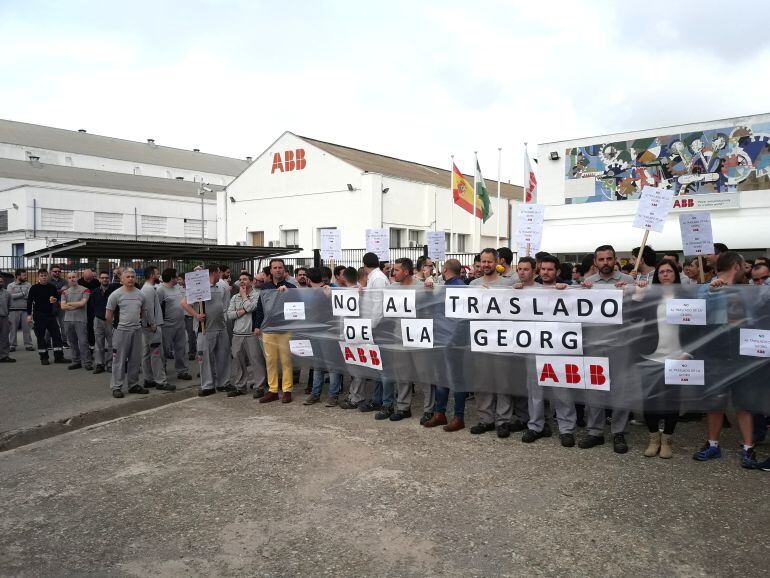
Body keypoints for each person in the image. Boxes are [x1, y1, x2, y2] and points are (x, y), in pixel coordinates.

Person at [693, 252, 760, 468]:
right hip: (716, 353)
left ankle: (748, 448)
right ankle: (713, 444)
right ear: (736, 266)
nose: (746, 269)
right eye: (743, 265)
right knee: (715, 401)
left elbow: (756, 314)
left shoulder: (747, 289)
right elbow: (694, 313)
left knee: (744, 403)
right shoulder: (705, 288)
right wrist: (712, 292)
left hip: (743, 351)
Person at [580, 245, 635, 453]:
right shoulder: (587, 284)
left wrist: (630, 293)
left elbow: (638, 310)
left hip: (621, 343)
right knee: (595, 387)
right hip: (594, 343)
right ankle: (595, 431)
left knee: (620, 388)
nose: (605, 263)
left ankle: (619, 432)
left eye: (609, 259)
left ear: (615, 260)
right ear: (595, 262)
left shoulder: (627, 282)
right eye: (601, 259)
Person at [515, 256, 575, 445]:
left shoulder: (566, 290)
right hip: (534, 346)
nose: (546, 273)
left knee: (562, 390)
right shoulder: (529, 291)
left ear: (557, 272)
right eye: (543, 269)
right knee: (535, 389)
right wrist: (516, 292)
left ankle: (566, 429)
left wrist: (567, 291)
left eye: (550, 270)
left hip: (559, 347)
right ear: (539, 271)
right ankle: (536, 426)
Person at [633, 259, 684, 459]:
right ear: (657, 275)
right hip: (651, 356)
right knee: (650, 400)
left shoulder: (685, 297)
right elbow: (634, 317)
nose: (665, 274)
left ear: (675, 274)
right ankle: (653, 439)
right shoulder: (650, 297)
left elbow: (696, 328)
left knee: (672, 401)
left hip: (677, 356)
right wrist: (638, 295)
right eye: (661, 271)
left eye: (669, 271)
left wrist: (688, 352)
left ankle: (667, 441)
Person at [469, 248, 519, 437]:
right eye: (483, 261)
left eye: (490, 261)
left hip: (503, 339)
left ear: (497, 262)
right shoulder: (473, 284)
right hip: (480, 339)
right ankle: (485, 419)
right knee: (483, 382)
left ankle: (503, 421)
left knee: (503, 382)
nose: (486, 265)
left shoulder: (509, 283)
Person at [340, 252, 389, 410]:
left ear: (364, 264)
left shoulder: (378, 278)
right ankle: (376, 399)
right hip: (370, 326)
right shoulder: (375, 278)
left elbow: (378, 305)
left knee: (378, 366)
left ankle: (379, 400)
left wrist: (371, 326)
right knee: (372, 364)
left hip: (375, 328)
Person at [424, 259, 469, 431]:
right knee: (443, 377)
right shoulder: (452, 286)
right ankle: (440, 413)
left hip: (452, 341)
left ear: (445, 269)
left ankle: (458, 416)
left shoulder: (454, 288)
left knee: (454, 379)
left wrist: (454, 340)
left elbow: (461, 318)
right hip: (444, 339)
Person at [182, 265, 233, 397]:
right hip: (205, 329)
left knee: (223, 357)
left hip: (220, 327)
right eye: (218, 273)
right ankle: (208, 385)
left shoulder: (218, 287)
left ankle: (223, 383)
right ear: (214, 273)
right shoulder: (199, 288)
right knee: (205, 359)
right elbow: (184, 303)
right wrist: (196, 315)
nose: (219, 276)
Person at [252, 259, 296, 403]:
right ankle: (273, 390)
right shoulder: (265, 288)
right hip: (268, 330)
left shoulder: (291, 287)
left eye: (280, 267)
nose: (277, 270)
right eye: (275, 268)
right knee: (270, 361)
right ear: (270, 271)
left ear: (284, 270)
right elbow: (260, 308)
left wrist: (287, 294)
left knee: (286, 360)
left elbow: (297, 307)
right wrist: (257, 326)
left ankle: (287, 390)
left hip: (285, 329)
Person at [106, 268, 150, 398]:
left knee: (135, 360)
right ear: (122, 279)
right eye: (128, 277)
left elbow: (142, 312)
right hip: (121, 331)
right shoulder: (115, 295)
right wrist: (116, 328)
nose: (130, 279)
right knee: (119, 360)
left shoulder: (140, 294)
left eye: (132, 276)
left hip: (136, 330)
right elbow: (108, 315)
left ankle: (133, 385)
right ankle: (116, 387)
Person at [303, 267, 344, 406]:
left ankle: (332, 395)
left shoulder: (329, 290)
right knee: (318, 364)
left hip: (328, 333)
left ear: (308, 279)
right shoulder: (311, 292)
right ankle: (317, 393)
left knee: (331, 365)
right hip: (316, 332)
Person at [227, 271, 266, 397]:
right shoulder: (234, 297)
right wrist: (243, 310)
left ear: (251, 281)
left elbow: (252, 307)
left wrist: (244, 297)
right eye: (240, 279)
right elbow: (230, 315)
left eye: (245, 279)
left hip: (252, 334)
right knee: (238, 361)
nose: (242, 281)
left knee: (256, 360)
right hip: (237, 334)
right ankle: (240, 386)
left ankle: (259, 386)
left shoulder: (257, 295)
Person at [27, 269, 69, 365]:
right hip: (39, 315)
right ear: (38, 277)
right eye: (41, 275)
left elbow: (56, 299)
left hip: (51, 315)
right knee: (41, 337)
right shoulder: (34, 288)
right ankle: (44, 358)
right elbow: (29, 302)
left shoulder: (52, 287)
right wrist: (29, 315)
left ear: (48, 276)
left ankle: (59, 357)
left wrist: (54, 300)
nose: (44, 277)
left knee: (57, 336)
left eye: (45, 275)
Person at [140, 266, 172, 390]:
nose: (159, 276)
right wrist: (151, 324)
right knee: (156, 354)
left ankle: (148, 379)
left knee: (147, 353)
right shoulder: (148, 290)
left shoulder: (148, 289)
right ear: (152, 275)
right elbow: (147, 309)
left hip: (149, 326)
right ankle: (161, 381)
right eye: (157, 274)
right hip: (152, 327)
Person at [157, 268, 192, 381]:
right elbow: (157, 308)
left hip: (180, 324)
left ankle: (182, 371)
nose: (178, 279)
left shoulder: (178, 288)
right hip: (167, 325)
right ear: (171, 278)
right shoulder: (160, 290)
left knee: (181, 348)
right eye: (176, 277)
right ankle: (161, 371)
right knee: (164, 350)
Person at [61, 272, 92, 371]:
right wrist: (75, 305)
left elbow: (82, 303)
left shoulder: (85, 290)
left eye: (73, 277)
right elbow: (62, 306)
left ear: (77, 277)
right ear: (67, 279)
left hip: (80, 320)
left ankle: (87, 362)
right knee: (72, 342)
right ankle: (76, 361)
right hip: (67, 320)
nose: (72, 279)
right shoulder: (65, 292)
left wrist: (68, 304)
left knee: (83, 342)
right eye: (69, 277)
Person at [91, 271, 119, 374]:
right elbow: (92, 305)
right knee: (99, 344)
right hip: (98, 320)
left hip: (111, 320)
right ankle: (99, 364)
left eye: (106, 278)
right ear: (99, 279)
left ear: (109, 279)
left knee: (112, 343)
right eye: (102, 278)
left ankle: (110, 364)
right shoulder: (95, 292)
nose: (104, 280)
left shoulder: (114, 291)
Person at [7, 269, 34, 352]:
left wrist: (17, 294)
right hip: (13, 310)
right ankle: (12, 345)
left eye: (25, 275)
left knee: (26, 328)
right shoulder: (10, 285)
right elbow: (10, 296)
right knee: (13, 328)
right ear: (18, 276)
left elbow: (30, 296)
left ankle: (28, 345)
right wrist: (22, 293)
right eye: (24, 275)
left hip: (25, 310)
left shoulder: (28, 285)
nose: (25, 276)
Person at [78, 268, 100, 351]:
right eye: (86, 279)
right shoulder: (79, 282)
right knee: (82, 328)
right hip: (81, 308)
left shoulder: (96, 282)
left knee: (91, 328)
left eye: (90, 279)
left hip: (92, 308)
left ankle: (92, 346)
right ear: (83, 276)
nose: (88, 281)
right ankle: (83, 347)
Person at [48, 264, 68, 346]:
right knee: (49, 325)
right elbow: (50, 292)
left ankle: (64, 341)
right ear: (51, 272)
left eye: (59, 271)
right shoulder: (48, 281)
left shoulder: (64, 281)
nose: (57, 273)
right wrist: (60, 290)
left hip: (61, 305)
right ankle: (48, 343)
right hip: (50, 306)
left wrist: (57, 291)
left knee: (63, 324)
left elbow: (66, 291)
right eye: (55, 271)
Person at [0, 276, 14, 363]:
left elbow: (9, 305)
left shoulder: (7, 293)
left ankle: (4, 356)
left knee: (4, 338)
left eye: (1, 281)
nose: (0, 282)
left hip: (4, 318)